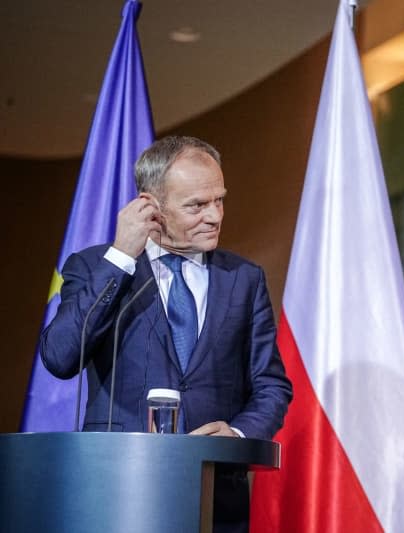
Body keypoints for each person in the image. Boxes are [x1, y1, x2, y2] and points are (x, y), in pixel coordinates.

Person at [40, 135, 293, 532]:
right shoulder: (94, 267)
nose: (215, 216)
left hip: (213, 493)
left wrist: (239, 432)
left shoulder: (243, 278)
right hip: (116, 486)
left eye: (219, 200)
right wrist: (122, 257)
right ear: (150, 206)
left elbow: (272, 385)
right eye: (196, 205)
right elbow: (60, 357)